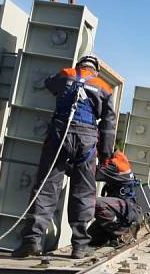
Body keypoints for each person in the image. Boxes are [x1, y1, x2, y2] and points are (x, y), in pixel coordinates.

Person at [13, 55, 116, 259]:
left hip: (60, 134)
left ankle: (32, 241)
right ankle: (79, 246)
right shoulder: (105, 87)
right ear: (95, 70)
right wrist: (105, 154)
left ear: (79, 65)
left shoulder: (66, 74)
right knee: (84, 191)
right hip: (87, 139)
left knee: (46, 187)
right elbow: (109, 124)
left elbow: (49, 84)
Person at [87, 151, 140, 248]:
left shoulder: (114, 165)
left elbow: (88, 172)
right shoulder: (119, 160)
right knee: (89, 238)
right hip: (122, 211)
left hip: (127, 209)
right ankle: (113, 235)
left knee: (97, 204)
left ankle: (123, 233)